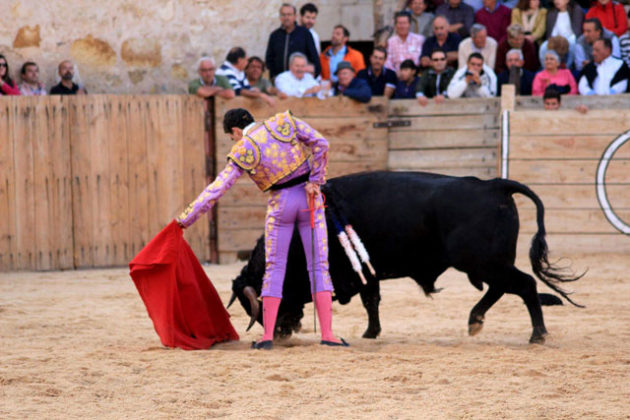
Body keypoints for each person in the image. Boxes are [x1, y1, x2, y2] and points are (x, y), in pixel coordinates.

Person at [177, 108, 347, 350]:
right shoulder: (283, 123)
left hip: (281, 205)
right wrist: (315, 180)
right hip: (309, 201)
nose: (235, 140)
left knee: (274, 267)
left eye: (232, 136)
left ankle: (267, 336)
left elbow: (217, 188)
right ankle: (328, 334)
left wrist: (186, 218)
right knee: (319, 265)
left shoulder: (244, 149)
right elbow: (321, 143)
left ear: (235, 130)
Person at [265, 3, 320, 79]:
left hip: (300, 81)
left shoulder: (305, 34)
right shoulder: (275, 35)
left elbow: (314, 59)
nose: (286, 18)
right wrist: (274, 76)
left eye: (289, 15)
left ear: (295, 16)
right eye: (283, 15)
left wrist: (311, 76)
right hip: (280, 81)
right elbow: (269, 59)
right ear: (280, 17)